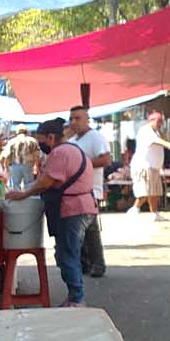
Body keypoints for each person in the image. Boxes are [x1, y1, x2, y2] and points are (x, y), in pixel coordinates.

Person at [7, 117, 99, 308]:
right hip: (82, 207)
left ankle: (76, 298)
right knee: (67, 253)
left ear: (51, 137)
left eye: (41, 140)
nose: (40, 145)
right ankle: (75, 295)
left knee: (67, 254)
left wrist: (23, 194)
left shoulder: (61, 153)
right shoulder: (73, 150)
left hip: (73, 209)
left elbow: (46, 182)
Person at [67, 105, 109, 277]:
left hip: (91, 191)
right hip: (74, 193)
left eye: (77, 118)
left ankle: (98, 264)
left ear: (87, 119)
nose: (74, 122)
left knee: (91, 231)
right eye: (71, 119)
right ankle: (84, 264)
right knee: (79, 231)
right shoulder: (71, 141)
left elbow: (105, 159)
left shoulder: (96, 138)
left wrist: (82, 165)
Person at [128, 110, 170, 218]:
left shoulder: (156, 132)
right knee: (145, 190)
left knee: (154, 191)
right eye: (158, 121)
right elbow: (155, 141)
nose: (160, 124)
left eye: (161, 122)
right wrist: (168, 144)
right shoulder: (145, 130)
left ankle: (154, 213)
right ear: (151, 120)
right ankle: (134, 209)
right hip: (144, 165)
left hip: (153, 166)